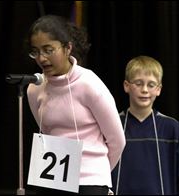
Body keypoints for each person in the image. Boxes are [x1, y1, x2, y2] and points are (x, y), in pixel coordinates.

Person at [25, 15, 126, 195]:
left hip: (90, 182)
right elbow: (46, 132)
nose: (42, 58)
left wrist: (98, 175)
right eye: (36, 51)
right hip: (52, 181)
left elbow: (117, 140)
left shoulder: (89, 84)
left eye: (48, 50)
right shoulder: (34, 88)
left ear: (67, 48)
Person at [111, 55, 179, 195]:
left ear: (159, 89)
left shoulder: (171, 128)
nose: (144, 90)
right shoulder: (113, 124)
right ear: (126, 86)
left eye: (151, 85)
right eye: (138, 83)